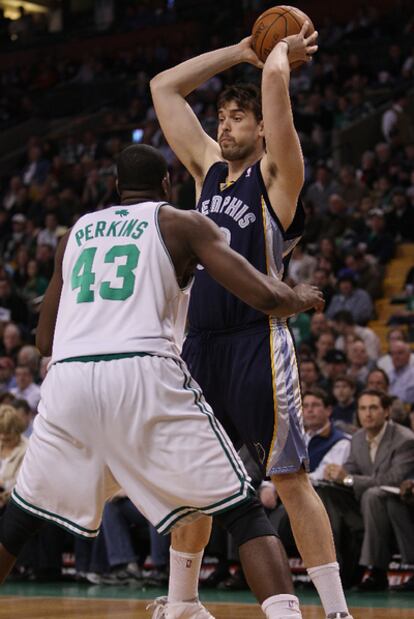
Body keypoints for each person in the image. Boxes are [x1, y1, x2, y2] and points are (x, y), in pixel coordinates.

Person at [0, 144, 326, 619]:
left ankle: (183, 605)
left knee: (19, 520)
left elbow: (45, 337)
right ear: (168, 186)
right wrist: (296, 296)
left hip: (68, 378)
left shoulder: (78, 232)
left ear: (115, 187)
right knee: (241, 510)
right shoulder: (180, 222)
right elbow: (260, 293)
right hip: (142, 368)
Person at [151, 24, 352, 619]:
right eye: (223, 116)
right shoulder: (206, 172)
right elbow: (164, 87)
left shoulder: (277, 178)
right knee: (194, 477)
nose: (226, 125)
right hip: (200, 345)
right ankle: (184, 603)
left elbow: (276, 101)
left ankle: (337, 608)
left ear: (262, 126)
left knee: (289, 480)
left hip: (256, 344)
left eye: (239, 117)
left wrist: (276, 60)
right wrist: (240, 50)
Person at [320, 390, 414, 590]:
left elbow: (392, 480)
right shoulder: (358, 438)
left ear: (386, 411)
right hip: (363, 504)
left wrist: (347, 478)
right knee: (326, 491)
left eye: (373, 408)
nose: (367, 414)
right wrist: (335, 474)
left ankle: (377, 572)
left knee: (373, 496)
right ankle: (338, 567)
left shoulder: (404, 439)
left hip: (396, 503)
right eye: (362, 408)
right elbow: (350, 471)